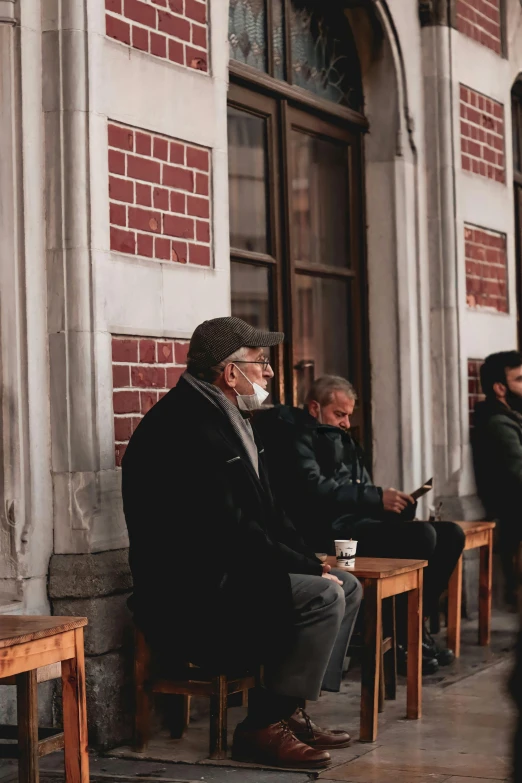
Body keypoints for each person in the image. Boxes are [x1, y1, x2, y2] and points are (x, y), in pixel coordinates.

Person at [122, 319, 362, 770]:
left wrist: (312, 560)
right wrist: (308, 571)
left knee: (346, 585)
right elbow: (228, 530)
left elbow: (271, 511)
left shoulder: (232, 417)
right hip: (196, 588)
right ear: (229, 373)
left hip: (234, 568)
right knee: (325, 594)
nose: (269, 373)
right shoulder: (183, 427)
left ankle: (287, 709)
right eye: (261, 362)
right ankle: (261, 727)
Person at [256, 375, 465, 674]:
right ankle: (403, 638)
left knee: (450, 534)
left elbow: (359, 489)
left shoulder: (344, 439)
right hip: (329, 534)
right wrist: (376, 498)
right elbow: (313, 488)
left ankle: (412, 627)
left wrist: (394, 506)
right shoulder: (296, 435)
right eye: (339, 414)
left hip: (356, 525)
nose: (345, 422)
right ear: (315, 407)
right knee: (422, 537)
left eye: (349, 415)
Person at [472, 351, 522, 607]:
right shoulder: (498, 425)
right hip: (511, 515)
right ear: (500, 388)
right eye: (520, 380)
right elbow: (518, 476)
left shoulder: (511, 419)